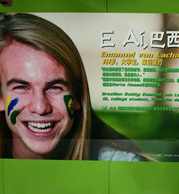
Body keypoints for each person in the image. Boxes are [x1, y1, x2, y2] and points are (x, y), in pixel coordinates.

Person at [0, 13, 148, 161]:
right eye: (21, 87)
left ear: (77, 95)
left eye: (55, 87)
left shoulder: (121, 167)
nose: (40, 108)